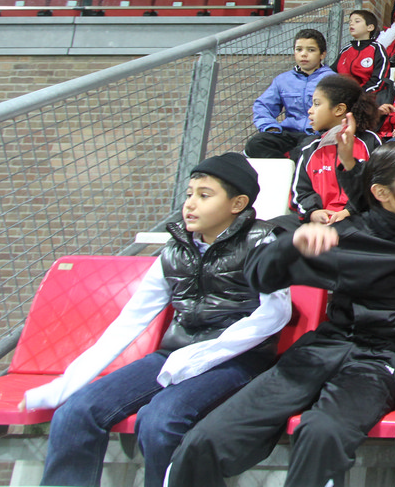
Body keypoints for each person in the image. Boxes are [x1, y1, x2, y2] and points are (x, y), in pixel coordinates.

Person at [166, 144, 395, 487]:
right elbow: (261, 276)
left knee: (323, 432)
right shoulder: (344, 236)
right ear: (382, 193)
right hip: (322, 348)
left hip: (382, 358)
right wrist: (290, 243)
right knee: (205, 440)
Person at [25, 154, 289, 487]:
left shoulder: (263, 242)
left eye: (204, 195)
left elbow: (275, 313)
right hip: (173, 356)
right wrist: (65, 385)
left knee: (160, 420)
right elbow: (131, 320)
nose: (190, 204)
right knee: (76, 411)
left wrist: (203, 355)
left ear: (238, 203)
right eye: (189, 194)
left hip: (238, 360)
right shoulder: (175, 249)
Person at [290, 74, 381, 225]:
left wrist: (348, 212)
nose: (310, 111)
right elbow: (300, 193)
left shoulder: (370, 142)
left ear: (339, 109)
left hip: (360, 222)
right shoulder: (309, 149)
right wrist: (313, 213)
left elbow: (380, 185)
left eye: (317, 104)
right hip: (320, 225)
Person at [245, 29, 335, 158]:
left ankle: (295, 165)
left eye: (311, 50)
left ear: (322, 54)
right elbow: (263, 106)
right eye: (299, 49)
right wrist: (270, 127)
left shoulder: (332, 79)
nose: (303, 54)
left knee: (307, 147)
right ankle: (286, 165)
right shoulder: (283, 80)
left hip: (317, 135)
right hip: (288, 134)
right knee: (255, 143)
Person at [334, 9, 388, 94]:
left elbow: (379, 79)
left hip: (366, 96)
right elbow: (332, 72)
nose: (351, 24)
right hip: (341, 95)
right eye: (350, 21)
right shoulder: (345, 50)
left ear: (370, 27)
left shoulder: (377, 49)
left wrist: (361, 94)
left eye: (357, 21)